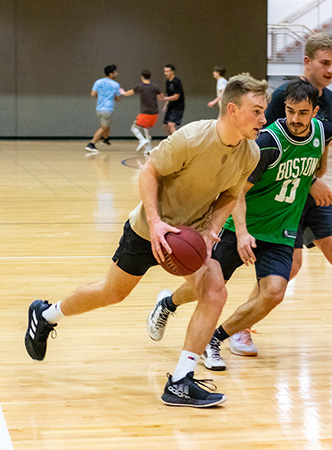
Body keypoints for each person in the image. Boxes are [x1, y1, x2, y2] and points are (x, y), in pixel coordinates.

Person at [24, 73, 269, 408]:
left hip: (190, 236)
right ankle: (46, 315)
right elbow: (149, 172)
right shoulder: (192, 137)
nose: (263, 119)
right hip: (147, 230)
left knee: (215, 290)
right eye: (256, 111)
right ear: (232, 110)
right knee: (112, 293)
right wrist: (155, 223)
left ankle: (181, 381)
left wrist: (212, 229)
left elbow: (230, 194)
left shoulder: (250, 154)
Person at [148, 80, 332, 370]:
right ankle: (168, 303)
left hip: (281, 228)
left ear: (315, 112)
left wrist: (314, 181)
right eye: (291, 111)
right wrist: (242, 233)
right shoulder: (268, 142)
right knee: (205, 288)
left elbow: (318, 163)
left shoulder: (323, 131)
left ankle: (215, 339)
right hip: (241, 226)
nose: (296, 119)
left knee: (273, 292)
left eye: (303, 113)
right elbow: (236, 191)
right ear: (284, 108)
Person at [265, 33, 332, 175]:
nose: (331, 70)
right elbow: (264, 142)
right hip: (278, 178)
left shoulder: (330, 97)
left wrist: (323, 164)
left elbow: (325, 135)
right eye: (325, 63)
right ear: (307, 62)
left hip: (307, 178)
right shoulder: (283, 94)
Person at [120, 70, 165, 153]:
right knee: (146, 129)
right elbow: (162, 97)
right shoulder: (155, 87)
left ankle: (142, 140)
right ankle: (148, 149)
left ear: (142, 77)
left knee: (134, 128)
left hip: (145, 112)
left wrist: (123, 92)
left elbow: (129, 93)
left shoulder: (140, 87)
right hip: (155, 113)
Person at [85, 65, 122, 152]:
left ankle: (106, 139)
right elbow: (118, 98)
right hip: (108, 108)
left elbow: (93, 94)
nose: (117, 73)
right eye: (115, 72)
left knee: (105, 124)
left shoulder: (98, 82)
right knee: (104, 128)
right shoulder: (115, 85)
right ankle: (92, 143)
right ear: (111, 73)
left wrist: (101, 96)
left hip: (99, 107)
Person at [162, 64, 185, 136]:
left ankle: (177, 142)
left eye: (167, 71)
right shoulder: (167, 82)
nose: (165, 73)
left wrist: (164, 98)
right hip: (171, 106)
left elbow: (176, 96)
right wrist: (166, 105)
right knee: (165, 125)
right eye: (165, 71)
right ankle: (170, 140)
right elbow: (168, 95)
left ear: (172, 72)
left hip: (178, 106)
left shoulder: (176, 82)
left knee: (171, 124)